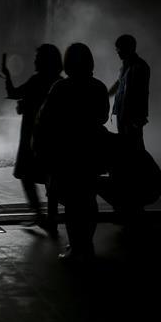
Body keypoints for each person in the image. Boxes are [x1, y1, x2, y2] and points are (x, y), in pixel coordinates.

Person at [34, 43, 110, 263]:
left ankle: (77, 247)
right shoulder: (98, 87)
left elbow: (46, 119)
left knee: (72, 201)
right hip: (91, 150)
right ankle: (87, 244)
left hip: (66, 152)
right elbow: (103, 116)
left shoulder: (61, 88)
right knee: (88, 198)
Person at [0, 45, 63, 236]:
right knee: (51, 178)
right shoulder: (59, 81)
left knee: (27, 175)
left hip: (33, 136)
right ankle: (51, 218)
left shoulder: (37, 80)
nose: (34, 61)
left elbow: (14, 93)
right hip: (53, 137)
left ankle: (39, 214)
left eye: (37, 57)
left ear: (43, 60)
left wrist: (7, 75)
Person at [108, 34, 150, 150]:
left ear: (129, 48)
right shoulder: (124, 67)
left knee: (136, 146)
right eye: (117, 49)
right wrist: (106, 94)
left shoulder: (140, 67)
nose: (117, 52)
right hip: (123, 114)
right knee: (127, 145)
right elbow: (118, 84)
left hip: (133, 116)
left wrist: (140, 117)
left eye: (119, 48)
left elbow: (143, 93)